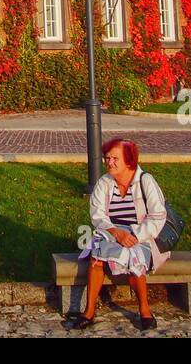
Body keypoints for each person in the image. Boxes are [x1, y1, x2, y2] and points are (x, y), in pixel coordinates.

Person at [68, 138, 168, 331]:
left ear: (129, 160)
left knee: (135, 258)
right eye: (107, 158)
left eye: (115, 158)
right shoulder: (105, 182)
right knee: (96, 259)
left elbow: (158, 215)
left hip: (141, 234)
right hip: (111, 233)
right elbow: (97, 215)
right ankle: (88, 311)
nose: (109, 162)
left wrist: (135, 236)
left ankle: (144, 310)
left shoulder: (145, 180)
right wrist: (115, 232)